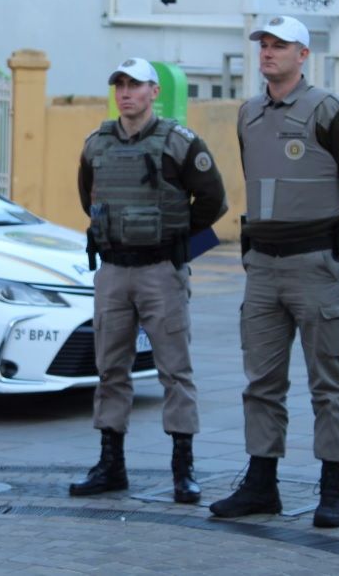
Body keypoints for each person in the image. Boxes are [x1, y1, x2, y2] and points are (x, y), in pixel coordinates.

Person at [208, 16, 339, 528]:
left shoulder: (332, 111)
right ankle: (261, 483)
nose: (268, 53)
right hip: (263, 267)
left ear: (304, 54)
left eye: (281, 46)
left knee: (328, 381)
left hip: (315, 264)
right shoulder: (249, 113)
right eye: (264, 45)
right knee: (261, 380)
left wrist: (337, 227)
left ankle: (334, 488)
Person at [71, 57, 227, 503]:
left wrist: (173, 237)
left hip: (161, 271)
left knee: (175, 370)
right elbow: (89, 198)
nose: (126, 92)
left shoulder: (178, 143)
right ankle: (110, 464)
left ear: (154, 92)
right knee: (110, 370)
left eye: (135, 85)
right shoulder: (95, 145)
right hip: (114, 270)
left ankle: (183, 467)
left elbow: (213, 200)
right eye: (119, 84)